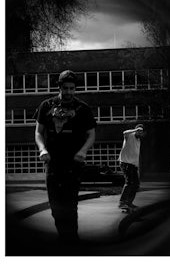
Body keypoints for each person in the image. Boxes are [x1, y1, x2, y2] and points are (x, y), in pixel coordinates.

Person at [34, 70, 96, 243]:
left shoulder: (83, 109)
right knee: (55, 208)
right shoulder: (46, 106)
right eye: (65, 88)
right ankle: (65, 239)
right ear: (59, 87)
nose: (69, 92)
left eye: (72, 88)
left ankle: (71, 243)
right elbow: (38, 133)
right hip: (53, 165)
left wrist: (83, 151)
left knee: (70, 207)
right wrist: (42, 149)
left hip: (73, 165)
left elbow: (91, 135)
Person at [118, 124, 145, 212]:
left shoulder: (138, 141)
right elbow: (124, 132)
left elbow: (136, 154)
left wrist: (137, 166)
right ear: (135, 130)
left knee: (136, 184)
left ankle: (129, 202)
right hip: (125, 163)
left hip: (133, 165)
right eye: (138, 131)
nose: (140, 133)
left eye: (141, 132)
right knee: (129, 182)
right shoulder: (129, 136)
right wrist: (135, 130)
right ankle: (122, 203)